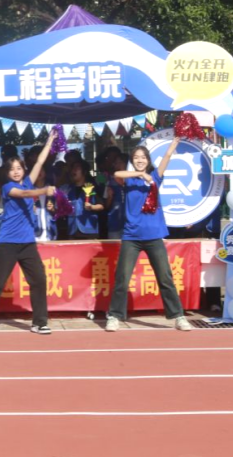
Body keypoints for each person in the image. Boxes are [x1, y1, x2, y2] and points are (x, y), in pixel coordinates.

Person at [0, 138, 58, 334]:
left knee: (39, 280)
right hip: (8, 243)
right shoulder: (8, 187)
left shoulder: (28, 182)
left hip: (27, 244)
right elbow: (24, 194)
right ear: (7, 173)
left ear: (23, 169)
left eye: (19, 168)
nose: (16, 171)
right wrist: (44, 190)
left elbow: (40, 161)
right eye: (12, 169)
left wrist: (50, 141)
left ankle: (40, 322)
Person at [105, 141, 192, 332]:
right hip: (131, 236)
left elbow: (167, 157)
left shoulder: (155, 177)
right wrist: (139, 174)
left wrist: (174, 144)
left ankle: (178, 316)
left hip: (154, 236)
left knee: (165, 278)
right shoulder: (129, 179)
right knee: (122, 278)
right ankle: (114, 316)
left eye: (143, 157)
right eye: (136, 158)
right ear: (132, 161)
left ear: (148, 160)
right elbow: (117, 174)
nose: (140, 160)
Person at [60, 160, 102, 240]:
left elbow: (101, 206)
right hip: (72, 230)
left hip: (89, 230)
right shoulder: (68, 189)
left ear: (84, 172)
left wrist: (92, 207)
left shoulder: (92, 187)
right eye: (72, 168)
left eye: (77, 168)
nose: (73, 171)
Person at [103, 152, 128, 241]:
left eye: (119, 162)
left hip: (130, 223)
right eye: (115, 163)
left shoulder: (134, 180)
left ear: (126, 164)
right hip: (114, 222)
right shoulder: (110, 182)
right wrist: (110, 197)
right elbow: (106, 205)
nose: (116, 165)